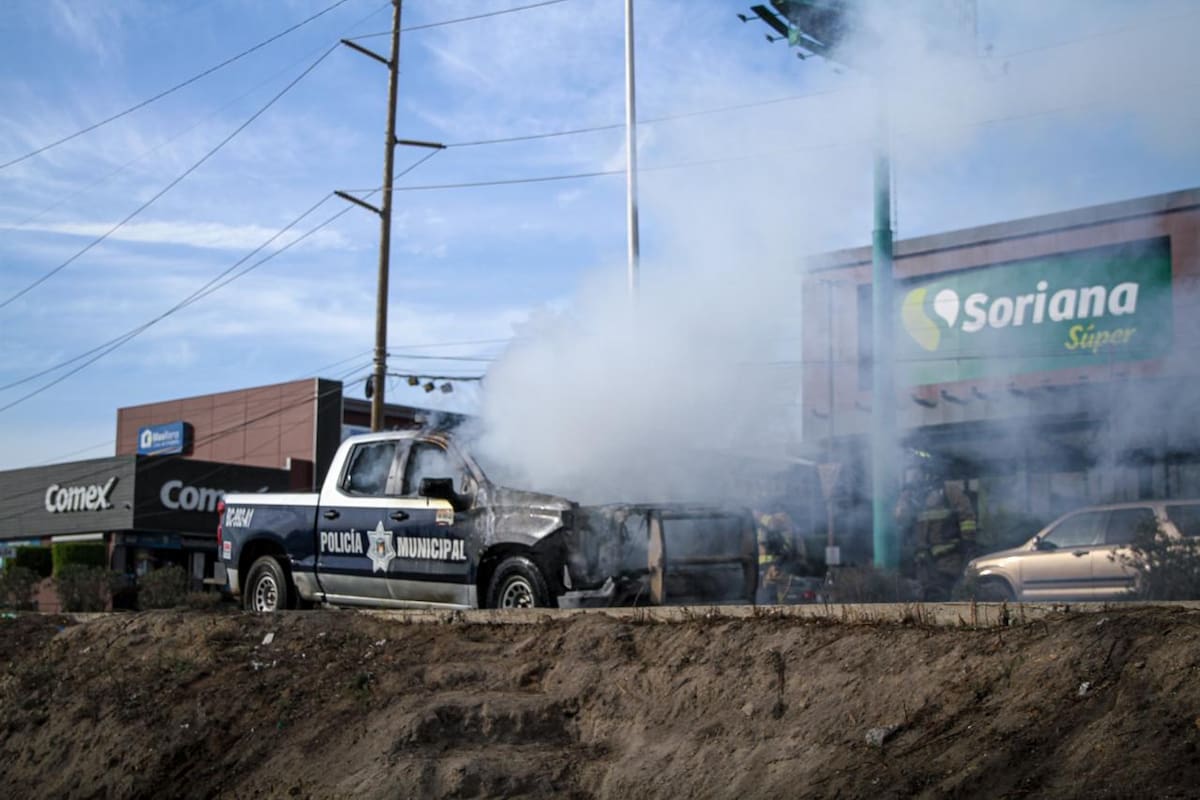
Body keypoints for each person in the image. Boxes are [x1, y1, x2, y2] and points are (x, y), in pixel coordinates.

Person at [895, 472, 977, 601]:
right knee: (926, 598)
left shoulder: (949, 490)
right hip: (923, 563)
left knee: (944, 595)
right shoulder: (914, 496)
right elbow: (900, 519)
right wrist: (904, 499)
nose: (917, 476)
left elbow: (967, 516)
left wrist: (968, 541)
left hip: (948, 559)